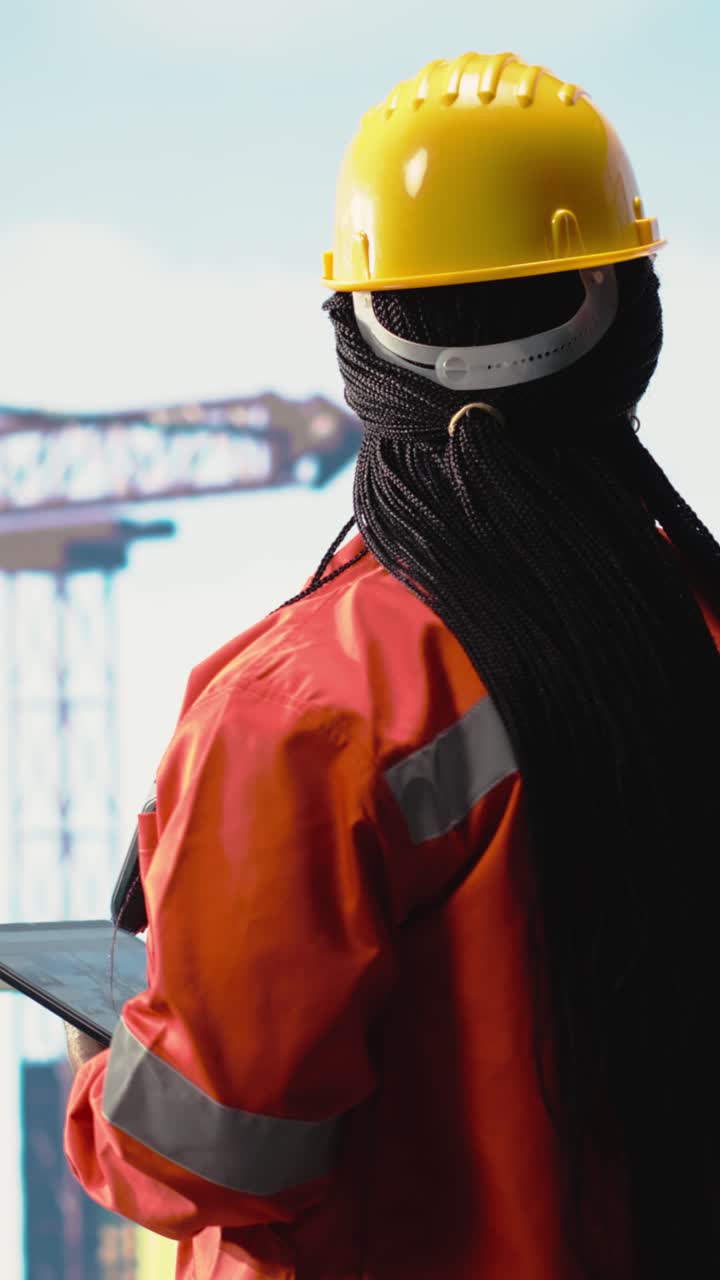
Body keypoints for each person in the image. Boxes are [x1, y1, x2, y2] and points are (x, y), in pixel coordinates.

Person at [64, 51, 720, 1280]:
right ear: (627, 324)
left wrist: (102, 1091)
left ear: (357, 343)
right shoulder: (696, 622)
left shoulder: (303, 709)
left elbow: (212, 1154)